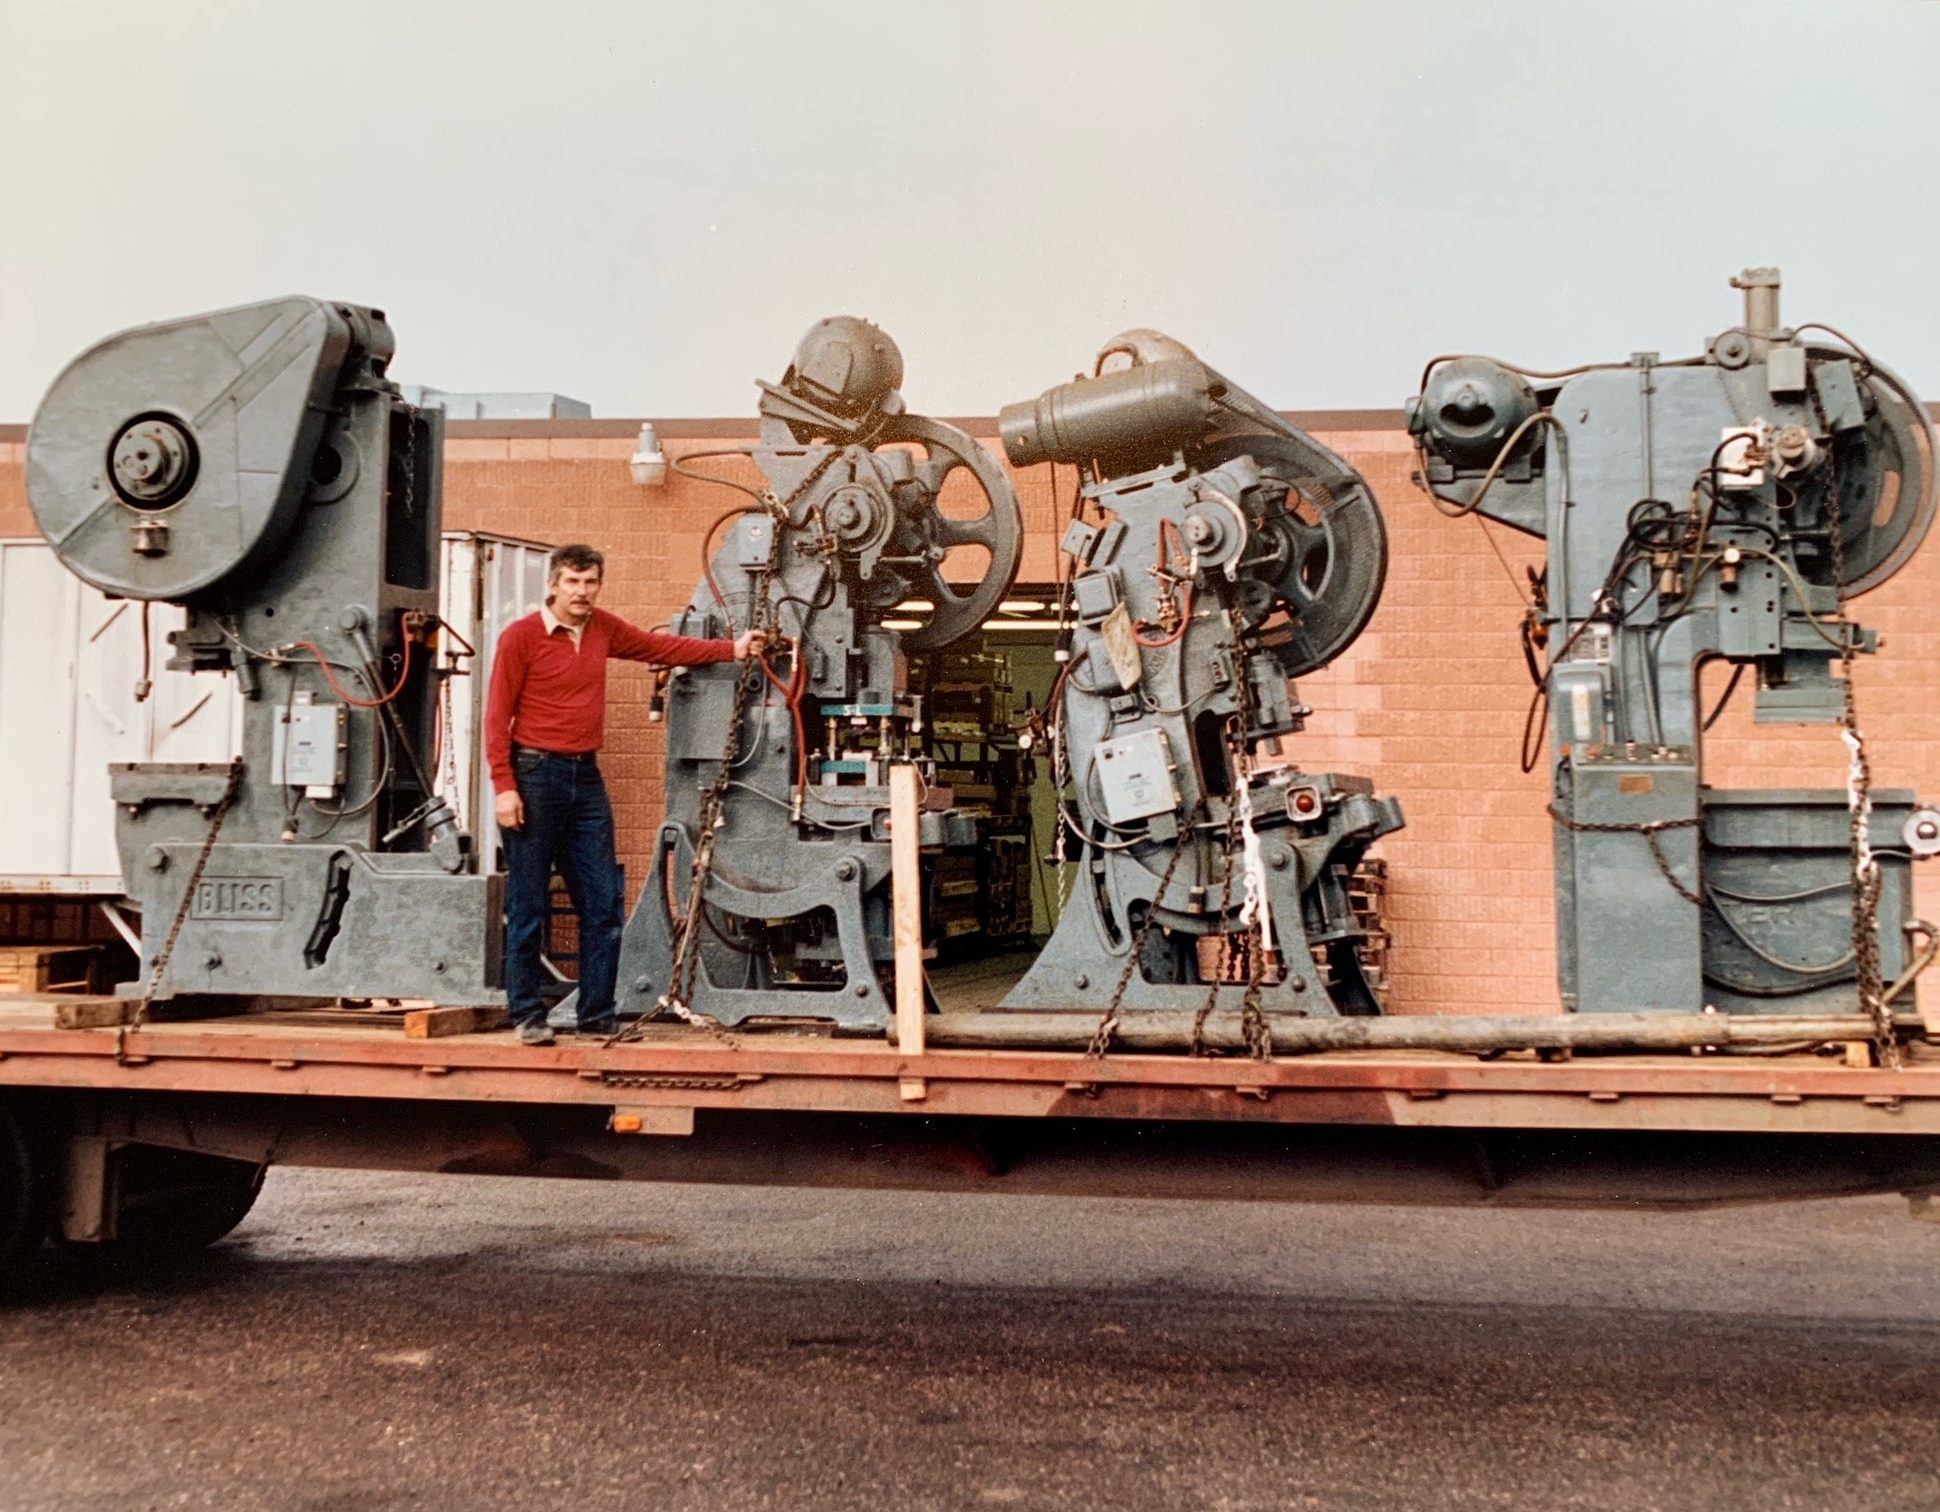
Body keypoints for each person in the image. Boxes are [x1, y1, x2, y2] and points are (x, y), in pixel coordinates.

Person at [485, 543, 765, 1045]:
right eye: (572, 581)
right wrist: (504, 786)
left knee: (603, 901)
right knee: (529, 903)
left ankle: (596, 1013)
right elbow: (494, 718)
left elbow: (663, 649)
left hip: (585, 779)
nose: (581, 592)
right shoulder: (520, 638)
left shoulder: (602, 628)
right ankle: (527, 1015)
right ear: (552, 584)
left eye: (590, 582)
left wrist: (733, 650)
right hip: (534, 777)